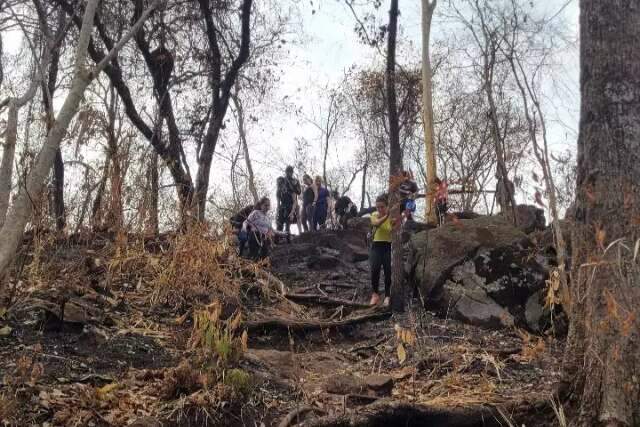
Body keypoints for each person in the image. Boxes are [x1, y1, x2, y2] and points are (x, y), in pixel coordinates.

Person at [369, 194, 393, 307]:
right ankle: (375, 294)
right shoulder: (374, 214)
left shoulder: (392, 218)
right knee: (375, 269)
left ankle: (387, 296)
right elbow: (376, 223)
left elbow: (392, 230)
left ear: (387, 206)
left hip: (387, 246)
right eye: (378, 207)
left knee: (388, 271)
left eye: (382, 207)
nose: (379, 209)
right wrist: (386, 216)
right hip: (376, 246)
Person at [276, 166, 301, 235]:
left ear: (292, 172)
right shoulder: (282, 181)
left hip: (293, 202)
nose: (289, 173)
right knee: (282, 222)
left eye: (290, 172)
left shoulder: (294, 180)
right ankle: (281, 235)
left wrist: (292, 185)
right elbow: (278, 198)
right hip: (284, 204)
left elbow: (298, 192)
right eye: (287, 172)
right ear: (285, 172)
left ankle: (300, 233)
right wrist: (277, 212)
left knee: (297, 217)